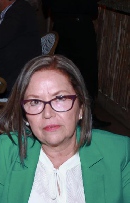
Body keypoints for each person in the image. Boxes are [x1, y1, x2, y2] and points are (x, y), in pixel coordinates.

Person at [0, 54, 130, 203]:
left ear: (81, 108)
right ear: (25, 116)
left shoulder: (118, 152)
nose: (48, 113)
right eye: (35, 102)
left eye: (60, 98)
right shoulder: (8, 149)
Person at [42, 0, 110, 128]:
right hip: (80, 28)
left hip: (61, 27)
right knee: (85, 75)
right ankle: (86, 117)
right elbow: (92, 9)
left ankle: (63, 112)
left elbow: (47, 5)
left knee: (63, 73)